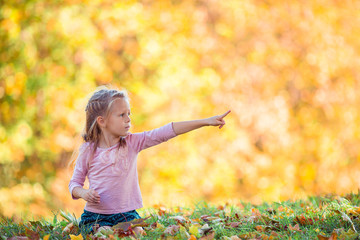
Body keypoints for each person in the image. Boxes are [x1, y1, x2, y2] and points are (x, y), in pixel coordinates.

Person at [68, 87, 231, 237]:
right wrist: (83, 193)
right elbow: (74, 184)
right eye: (121, 115)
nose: (128, 119)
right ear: (102, 121)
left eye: (129, 114)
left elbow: (166, 131)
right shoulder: (88, 151)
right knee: (105, 233)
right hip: (96, 216)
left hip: (126, 214)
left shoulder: (132, 143)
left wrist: (205, 121)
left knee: (138, 232)